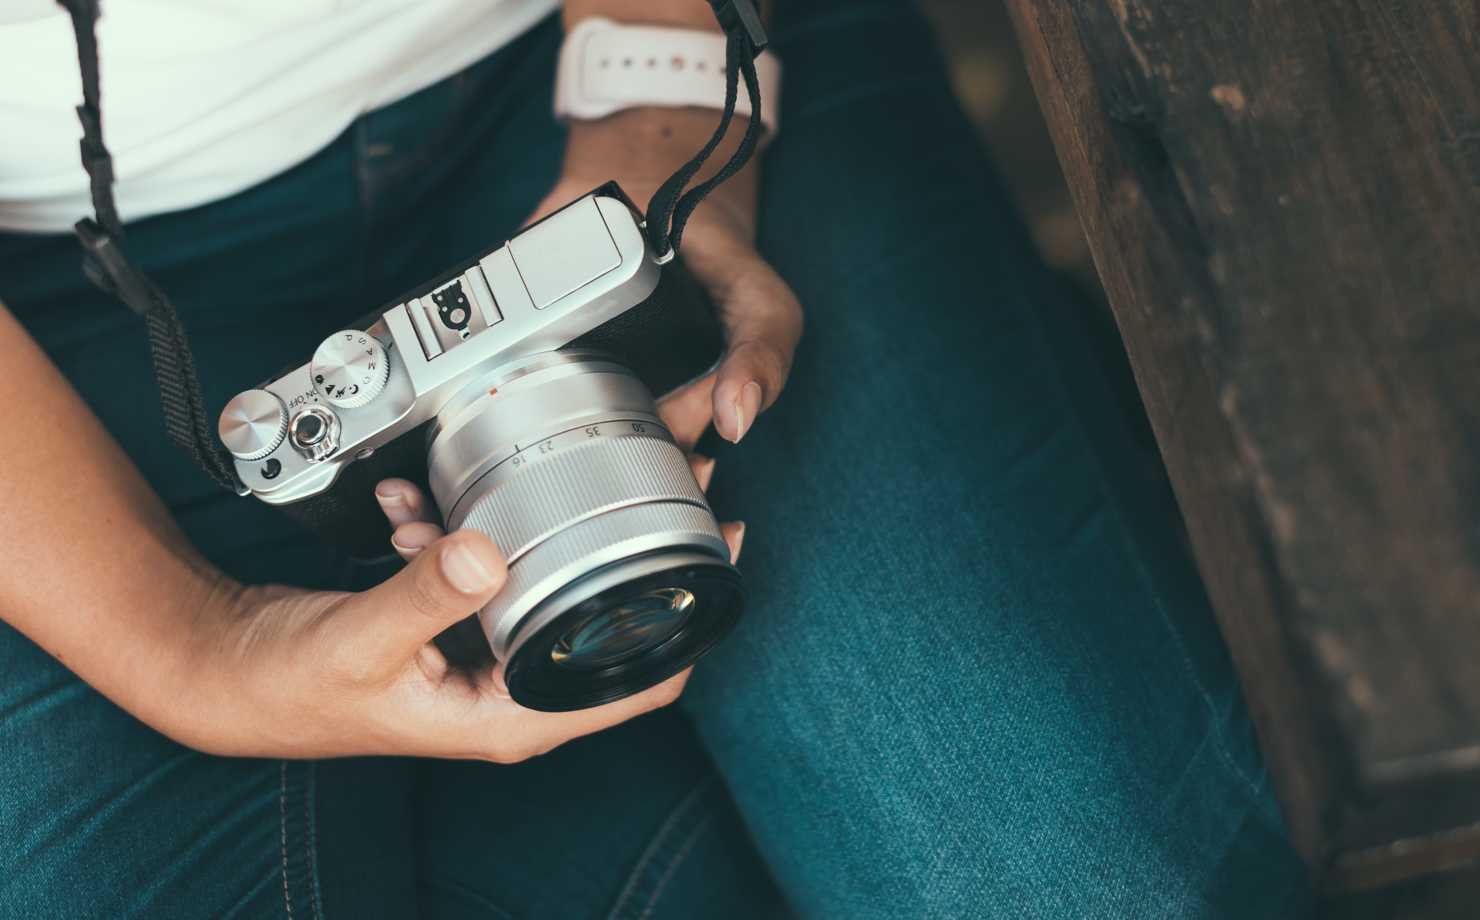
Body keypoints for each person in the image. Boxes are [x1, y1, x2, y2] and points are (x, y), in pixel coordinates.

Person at [0, 0, 1310, 917]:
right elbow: (189, 657)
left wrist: (665, 98)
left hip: (613, 47)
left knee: (1086, 882)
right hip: (65, 296)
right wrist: (193, 651)